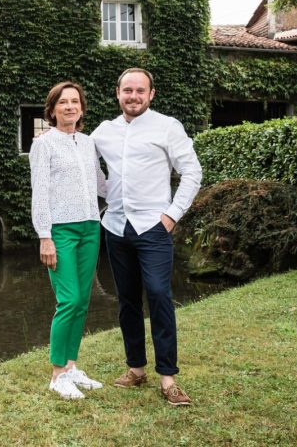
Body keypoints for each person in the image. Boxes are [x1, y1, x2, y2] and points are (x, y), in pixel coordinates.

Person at [91, 68, 201, 406]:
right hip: (116, 227)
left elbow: (192, 171)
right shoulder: (104, 131)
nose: (133, 96)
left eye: (140, 90)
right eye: (128, 90)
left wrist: (171, 215)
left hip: (153, 227)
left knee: (158, 294)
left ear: (151, 94)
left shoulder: (167, 127)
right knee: (126, 300)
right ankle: (136, 368)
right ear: (118, 93)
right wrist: (108, 192)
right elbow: (88, 165)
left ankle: (168, 377)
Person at [30, 81, 107, 400]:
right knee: (69, 299)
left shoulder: (88, 143)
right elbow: (39, 192)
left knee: (83, 300)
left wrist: (133, 197)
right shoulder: (43, 144)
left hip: (91, 226)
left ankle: (71, 367)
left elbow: (100, 182)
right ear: (52, 109)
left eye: (75, 101)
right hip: (60, 230)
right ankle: (57, 375)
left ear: (82, 108)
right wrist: (45, 237)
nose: (70, 107)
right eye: (63, 102)